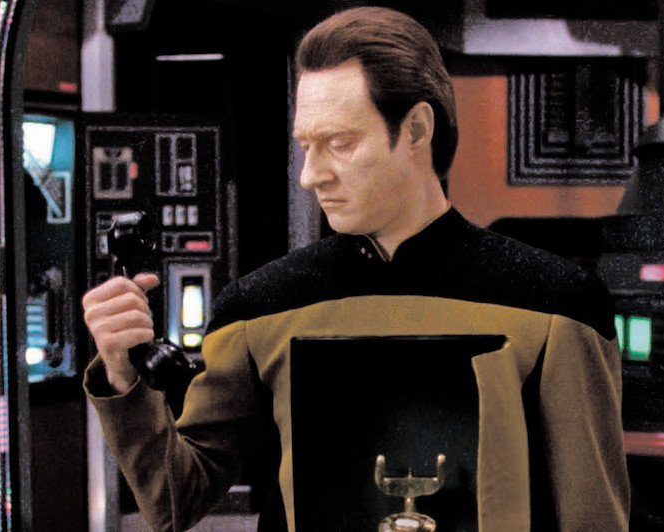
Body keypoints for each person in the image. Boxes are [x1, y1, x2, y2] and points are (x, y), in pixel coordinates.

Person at [83, 6, 629, 531]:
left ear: (417, 129)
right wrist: (121, 374)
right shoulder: (257, 309)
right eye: (306, 145)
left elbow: (592, 520)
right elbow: (174, 501)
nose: (310, 175)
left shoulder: (557, 305)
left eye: (339, 143)